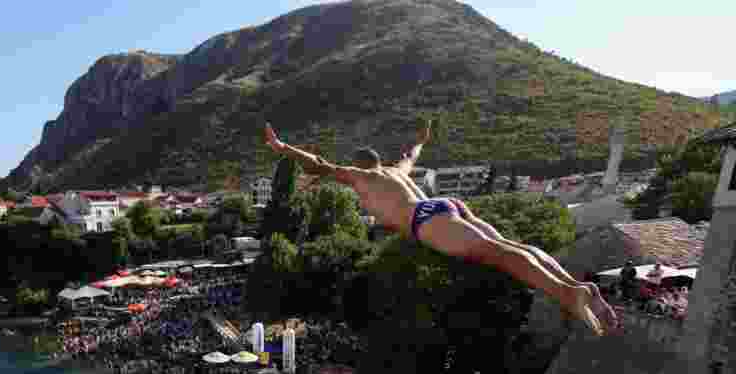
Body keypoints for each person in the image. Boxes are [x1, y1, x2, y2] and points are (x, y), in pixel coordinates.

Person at [262, 122, 619, 336]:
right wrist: (422, 139)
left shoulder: (363, 177)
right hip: (446, 206)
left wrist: (283, 148)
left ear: (359, 165)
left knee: (498, 255)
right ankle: (576, 286)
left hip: (425, 220)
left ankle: (567, 294)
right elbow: (412, 153)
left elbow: (320, 165)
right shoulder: (395, 171)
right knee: (509, 246)